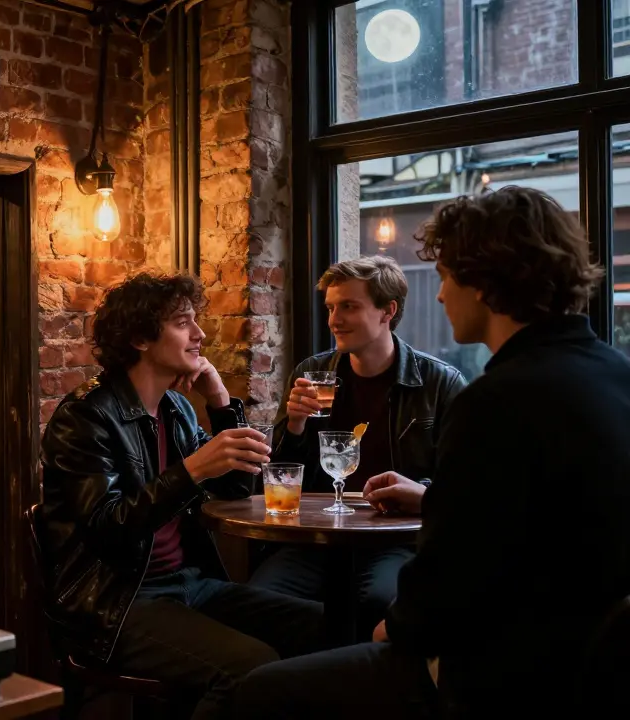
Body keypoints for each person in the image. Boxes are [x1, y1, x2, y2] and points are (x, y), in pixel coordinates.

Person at [233, 186, 630, 718]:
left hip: (503, 670)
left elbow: (453, 575)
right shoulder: (616, 376)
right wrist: (296, 424)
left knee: (259, 693)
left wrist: (398, 627)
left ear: (485, 281)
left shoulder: (493, 399)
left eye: (444, 276)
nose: (440, 296)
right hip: (589, 665)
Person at [36, 273, 323, 720]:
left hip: (189, 582)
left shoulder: (176, 408)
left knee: (325, 627)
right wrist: (192, 470)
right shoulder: (85, 417)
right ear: (139, 338)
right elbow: (107, 530)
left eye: (196, 321)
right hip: (117, 600)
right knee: (250, 665)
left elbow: (231, 493)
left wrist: (222, 401)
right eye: (182, 323)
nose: (200, 334)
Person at [251, 256, 466, 640]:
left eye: (349, 306)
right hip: (318, 537)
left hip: (394, 538)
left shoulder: (439, 382)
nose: (334, 320)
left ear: (388, 311)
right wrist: (295, 424)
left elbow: (463, 479)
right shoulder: (312, 373)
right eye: (331, 307)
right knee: (260, 600)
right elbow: (278, 479)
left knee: (383, 601)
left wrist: (421, 492)